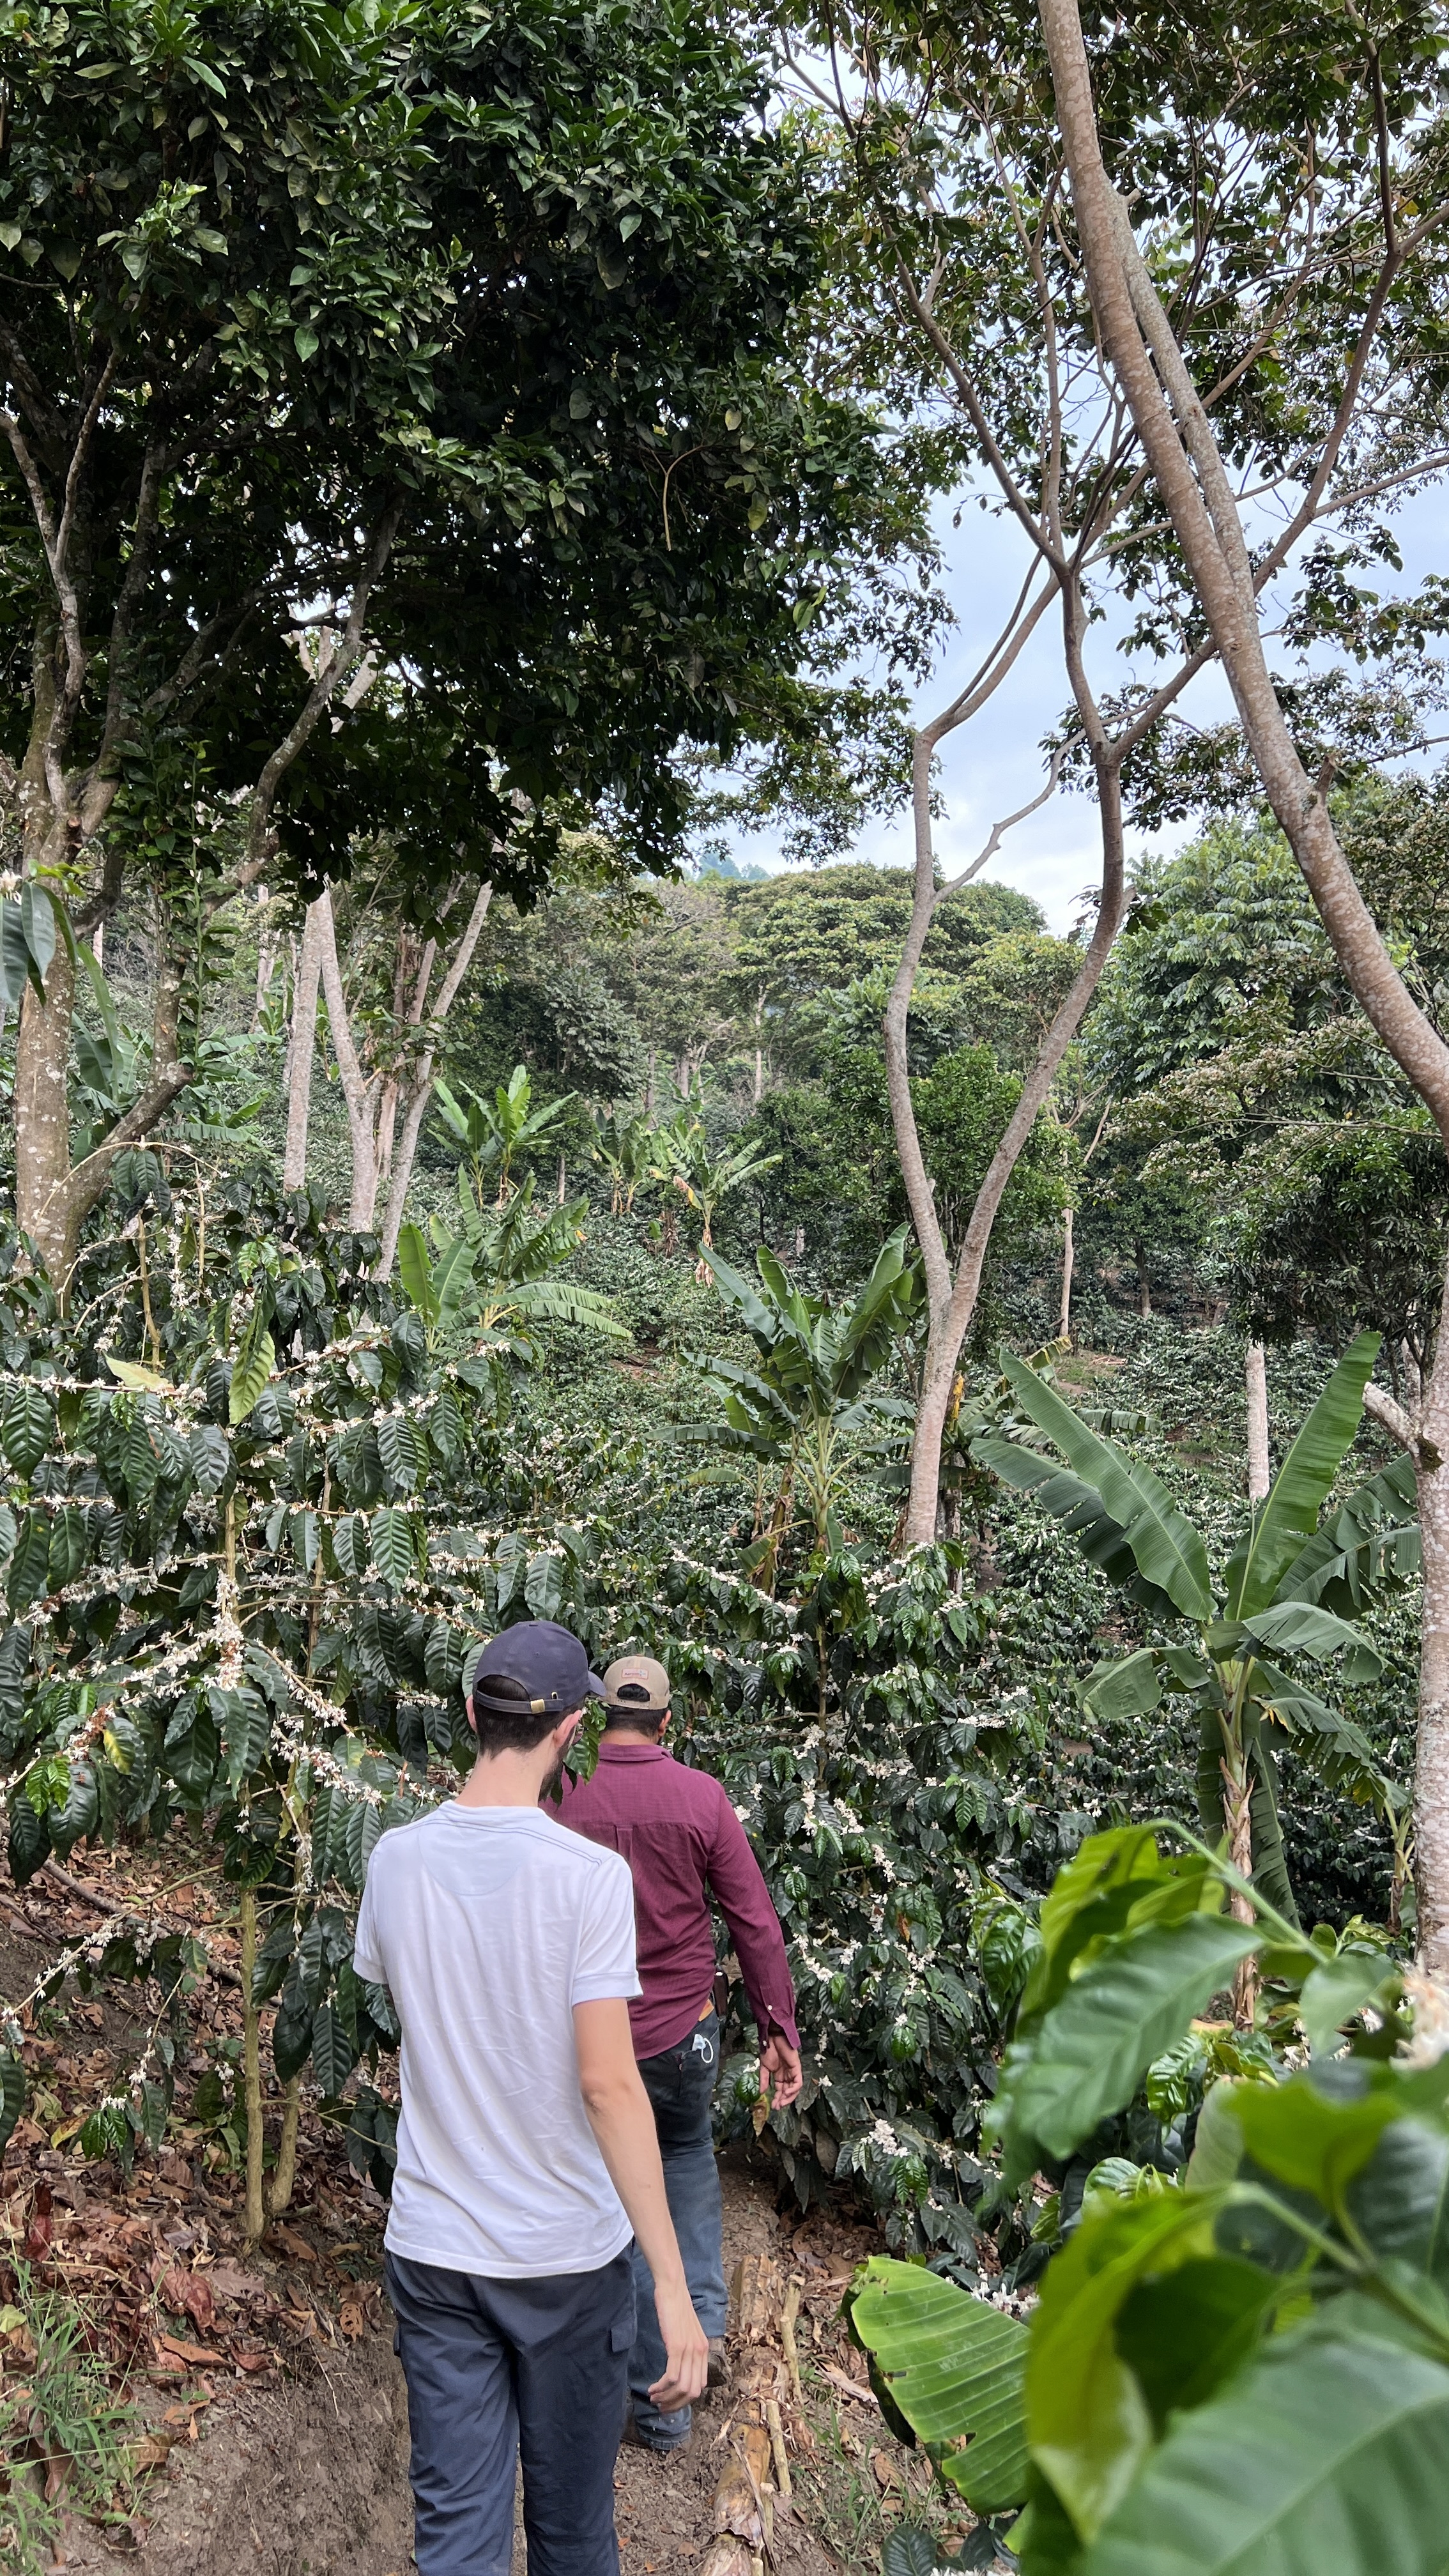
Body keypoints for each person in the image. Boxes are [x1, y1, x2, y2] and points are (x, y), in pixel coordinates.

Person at [353, 1618, 708, 2576]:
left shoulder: (394, 1860)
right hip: (566, 2263)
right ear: (570, 1730)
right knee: (572, 2533)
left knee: (456, 2538)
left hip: (436, 2249)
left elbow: (400, 1990)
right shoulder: (588, 1880)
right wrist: (671, 2286)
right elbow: (607, 2083)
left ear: (473, 1716)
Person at [558, 1651, 802, 2454]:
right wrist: (778, 2029)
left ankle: (649, 2397)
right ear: (668, 1722)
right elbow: (753, 1918)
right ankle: (698, 2335)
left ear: (602, 1715)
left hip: (598, 2040)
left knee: (623, 2194)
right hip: (686, 2032)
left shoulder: (564, 1794)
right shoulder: (701, 1797)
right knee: (686, 2155)